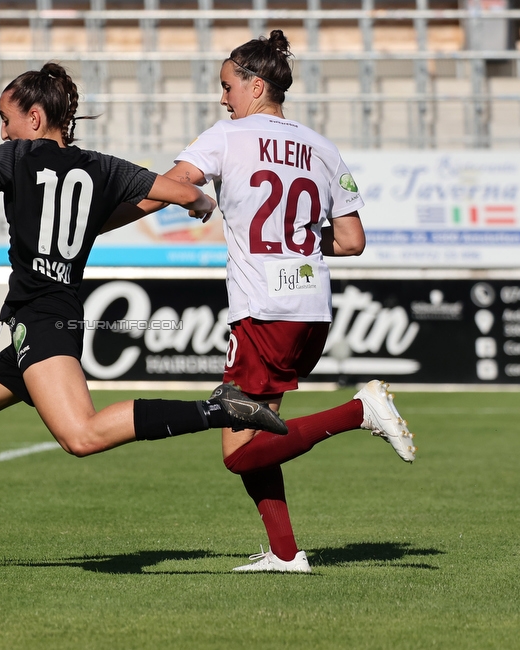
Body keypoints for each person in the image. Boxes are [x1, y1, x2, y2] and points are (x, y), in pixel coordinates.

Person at [0, 62, 287, 524]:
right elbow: (181, 192)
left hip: (42, 321)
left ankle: (215, 408)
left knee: (81, 436)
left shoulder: (15, 159)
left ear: (33, 119)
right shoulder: (104, 167)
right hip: (47, 319)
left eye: (6, 120)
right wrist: (201, 202)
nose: (3, 132)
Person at [139, 31, 417, 573]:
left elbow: (170, 185)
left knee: (239, 451)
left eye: (227, 86)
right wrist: (299, 243)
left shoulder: (228, 137)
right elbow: (354, 240)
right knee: (260, 431)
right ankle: (286, 553)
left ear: (256, 85)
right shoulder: (322, 147)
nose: (223, 99)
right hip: (312, 309)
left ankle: (359, 411)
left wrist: (121, 212)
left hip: (263, 309)